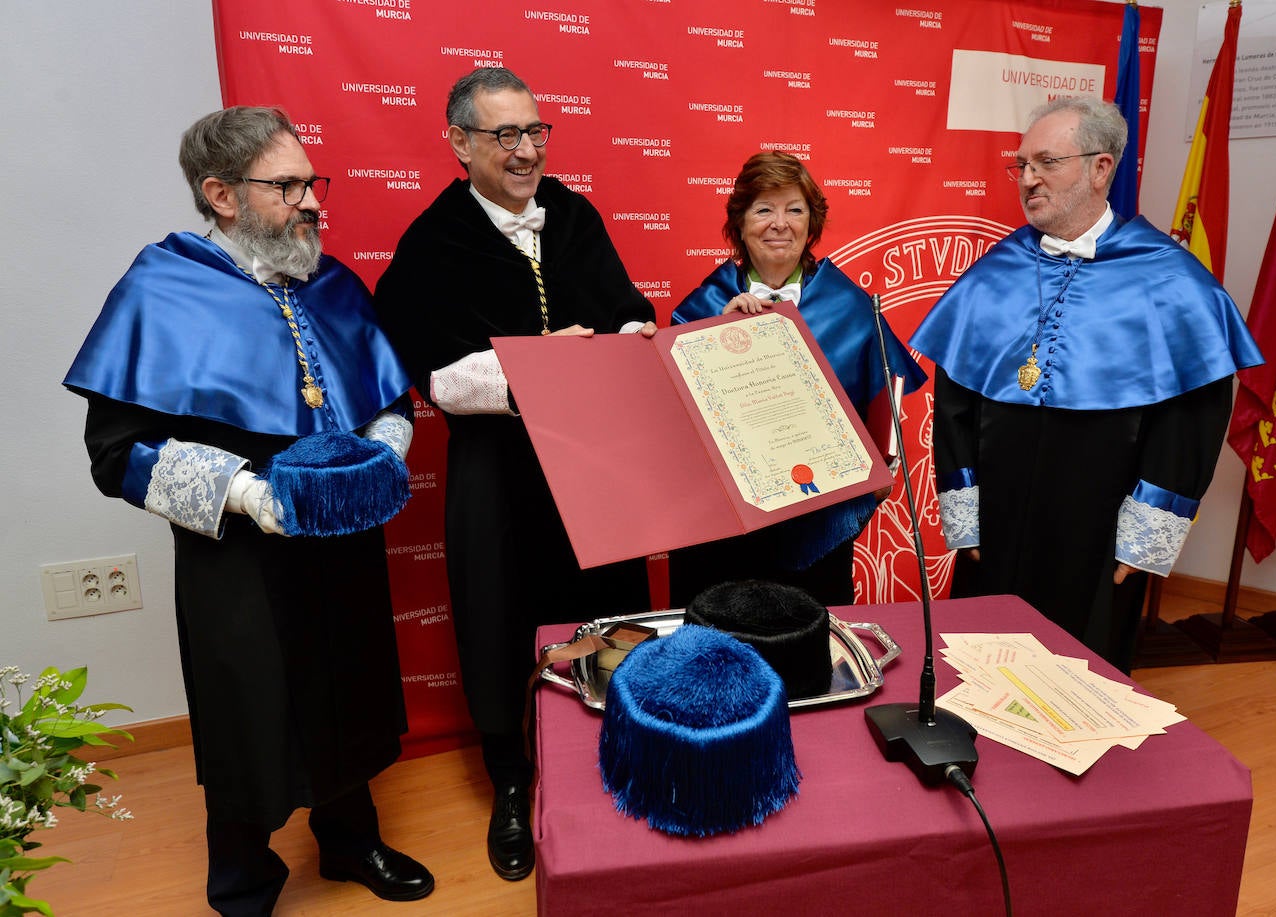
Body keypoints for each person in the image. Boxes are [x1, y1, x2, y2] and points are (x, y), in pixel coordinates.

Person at [63, 107, 434, 915]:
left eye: (311, 182)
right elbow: (117, 450)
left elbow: (386, 394)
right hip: (237, 550)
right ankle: (242, 877)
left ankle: (349, 838)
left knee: (350, 684)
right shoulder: (160, 289)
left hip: (339, 535)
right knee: (247, 709)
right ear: (221, 194)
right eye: (288, 185)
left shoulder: (330, 282)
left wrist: (386, 447)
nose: (311, 201)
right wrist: (248, 494)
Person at [373, 67, 655, 881]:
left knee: (611, 613)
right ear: (459, 143)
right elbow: (436, 380)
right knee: (501, 625)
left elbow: (626, 306)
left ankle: (616, 759)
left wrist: (632, 333)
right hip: (498, 475)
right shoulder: (434, 241)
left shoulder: (574, 214)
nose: (528, 150)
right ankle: (512, 780)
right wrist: (542, 369)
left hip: (598, 467)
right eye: (506, 135)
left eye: (537, 131)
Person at [909, 96, 1263, 673]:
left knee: (1082, 673)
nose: (1027, 180)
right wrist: (964, 509)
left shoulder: (1171, 281)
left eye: (1046, 163)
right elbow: (954, 401)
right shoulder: (994, 272)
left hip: (1101, 522)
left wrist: (1150, 529)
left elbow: (1190, 418)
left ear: (1102, 168)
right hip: (996, 517)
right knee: (978, 657)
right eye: (1021, 165)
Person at [670, 152, 927, 609]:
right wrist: (715, 338)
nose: (779, 223)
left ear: (812, 223)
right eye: (763, 209)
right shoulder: (698, 310)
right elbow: (673, 423)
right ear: (740, 222)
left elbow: (887, 392)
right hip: (722, 531)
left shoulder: (851, 307)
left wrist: (883, 463)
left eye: (795, 209)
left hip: (817, 525)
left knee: (811, 656)